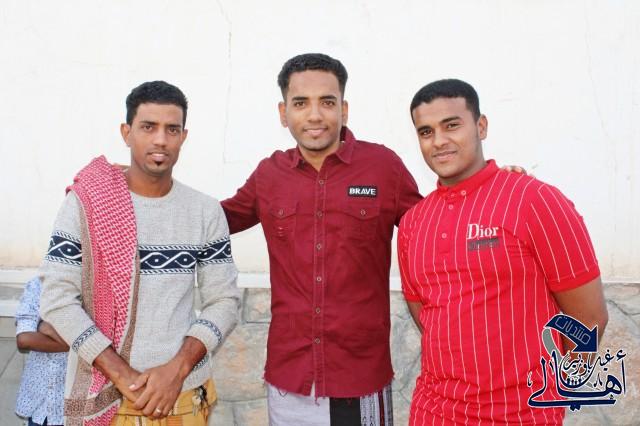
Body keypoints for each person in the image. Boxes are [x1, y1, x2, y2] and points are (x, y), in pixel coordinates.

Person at [221, 53, 422, 425]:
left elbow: (437, 226)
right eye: (301, 103)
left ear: (344, 109)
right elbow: (213, 221)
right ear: (283, 113)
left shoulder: (383, 167)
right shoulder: (269, 175)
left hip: (359, 375)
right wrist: (141, 188)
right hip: (290, 378)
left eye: (327, 102)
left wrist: (494, 190)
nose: (314, 115)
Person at [398, 78, 608, 425]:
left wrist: (552, 396)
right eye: (426, 132)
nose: (439, 141)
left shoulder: (535, 201)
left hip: (521, 415)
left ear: (481, 126)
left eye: (452, 125)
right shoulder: (412, 223)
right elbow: (427, 319)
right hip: (432, 413)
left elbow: (589, 320)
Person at [39, 81, 240, 425]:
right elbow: (57, 299)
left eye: (172, 129)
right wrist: (123, 375)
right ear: (126, 132)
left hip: (183, 394)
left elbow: (224, 301)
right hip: (106, 395)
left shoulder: (204, 211)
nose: (161, 140)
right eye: (148, 127)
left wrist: (176, 371)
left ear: (183, 137)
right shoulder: (86, 205)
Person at [15, 277, 69, 426]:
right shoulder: (39, 284)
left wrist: (44, 326)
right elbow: (24, 339)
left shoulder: (100, 287)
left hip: (81, 408)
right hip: (41, 407)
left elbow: (104, 343)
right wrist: (86, 344)